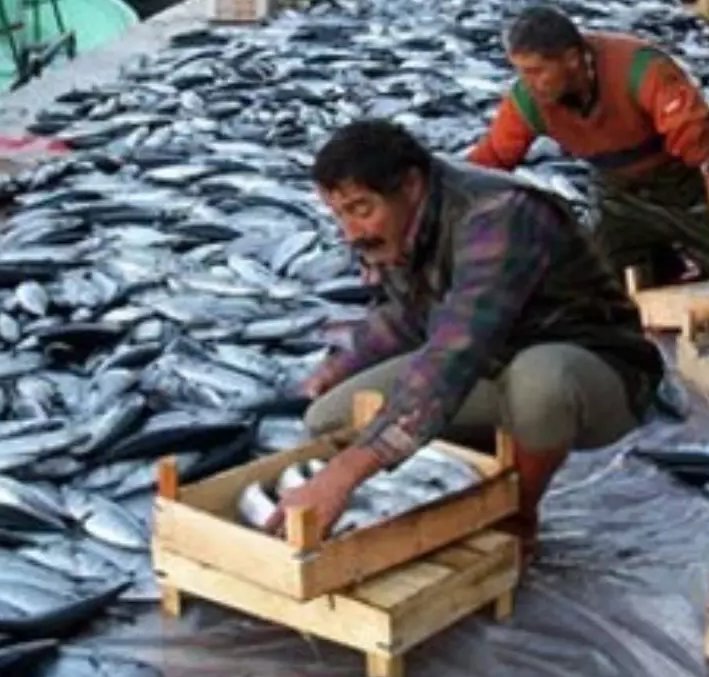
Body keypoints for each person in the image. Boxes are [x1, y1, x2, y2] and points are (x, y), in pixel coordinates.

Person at [263, 119, 663, 562]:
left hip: (595, 370)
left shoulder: (497, 215)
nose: (351, 232)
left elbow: (455, 353)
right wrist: (337, 368)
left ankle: (517, 513)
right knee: (329, 417)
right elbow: (404, 315)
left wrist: (346, 472)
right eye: (340, 215)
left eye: (361, 209)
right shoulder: (403, 223)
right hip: (492, 367)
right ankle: (485, 472)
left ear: (410, 185)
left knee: (540, 384)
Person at [466, 5, 709, 290]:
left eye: (536, 71)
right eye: (521, 72)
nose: (528, 83)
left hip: (690, 190)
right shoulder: (527, 101)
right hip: (621, 200)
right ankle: (664, 266)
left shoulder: (642, 70)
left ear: (572, 59)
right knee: (592, 289)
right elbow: (490, 160)